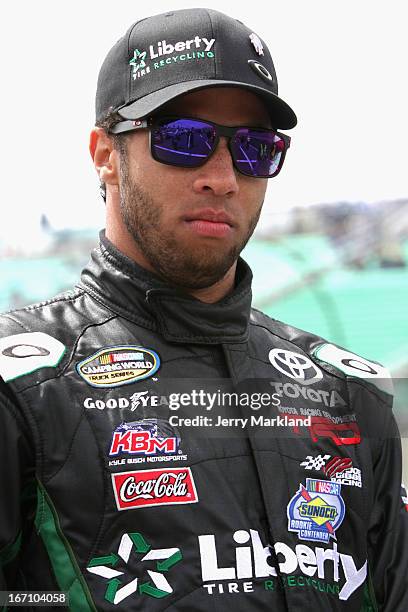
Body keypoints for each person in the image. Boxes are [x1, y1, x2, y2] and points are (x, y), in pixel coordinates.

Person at [0, 8, 406, 611]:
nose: (221, 177)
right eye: (183, 140)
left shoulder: (348, 393)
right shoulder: (22, 390)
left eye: (254, 148)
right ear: (105, 154)